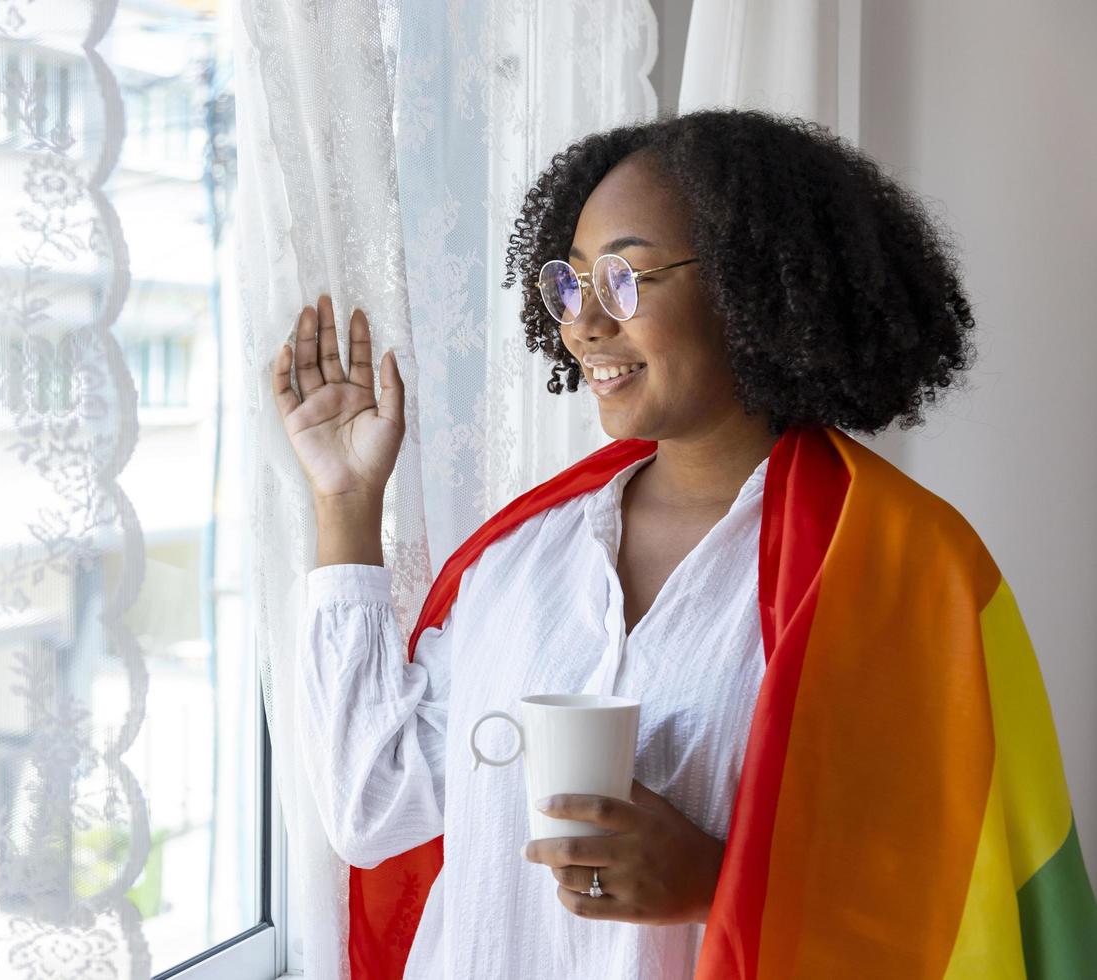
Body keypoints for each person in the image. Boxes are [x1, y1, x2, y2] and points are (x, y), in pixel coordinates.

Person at [269, 108, 1097, 979]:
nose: (583, 323)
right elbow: (375, 806)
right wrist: (347, 503)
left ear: (757, 287)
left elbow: (960, 904)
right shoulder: (519, 561)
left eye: (626, 278)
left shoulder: (905, 572)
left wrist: (718, 882)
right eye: (570, 281)